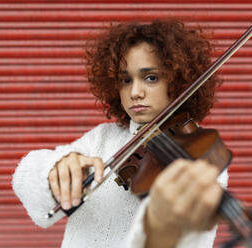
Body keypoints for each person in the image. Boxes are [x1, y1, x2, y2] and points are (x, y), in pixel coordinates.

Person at [12, 19, 228, 248]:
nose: (135, 92)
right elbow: (28, 181)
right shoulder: (103, 138)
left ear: (178, 81)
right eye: (126, 80)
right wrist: (55, 170)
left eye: (150, 77)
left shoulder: (198, 151)